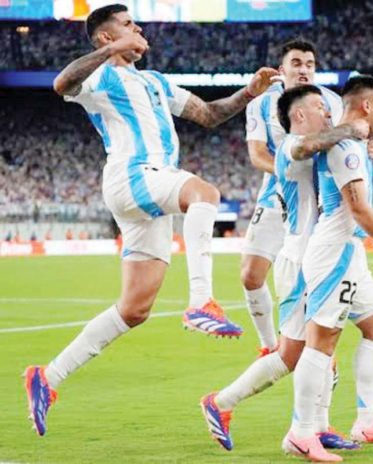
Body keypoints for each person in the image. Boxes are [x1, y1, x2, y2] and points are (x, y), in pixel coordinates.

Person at [23, 3, 278, 437]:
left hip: (148, 189)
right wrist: (113, 50)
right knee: (205, 193)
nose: (137, 29)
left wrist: (249, 92)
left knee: (135, 309)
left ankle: (47, 377)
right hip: (133, 174)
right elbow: (61, 83)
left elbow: (210, 115)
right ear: (106, 37)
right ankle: (201, 302)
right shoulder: (101, 75)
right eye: (127, 25)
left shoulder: (155, 82)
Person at [200, 84, 369, 453]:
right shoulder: (291, 146)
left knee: (325, 342)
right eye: (320, 107)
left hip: (320, 256)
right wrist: (349, 130)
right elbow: (310, 146)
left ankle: (319, 427)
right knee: (293, 354)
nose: (328, 112)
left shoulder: (319, 150)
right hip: (299, 260)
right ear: (298, 116)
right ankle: (222, 403)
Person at [282, 75, 373, 462]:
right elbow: (358, 209)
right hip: (333, 252)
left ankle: (366, 419)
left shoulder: (354, 145)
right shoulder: (344, 146)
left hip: (350, 252)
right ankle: (301, 432)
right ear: (365, 105)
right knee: (322, 341)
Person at [241, 39, 343, 355]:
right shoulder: (260, 104)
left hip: (316, 203)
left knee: (311, 283)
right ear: (281, 70)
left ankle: (323, 356)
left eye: (309, 64)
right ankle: (269, 345)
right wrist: (287, 174)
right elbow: (257, 154)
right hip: (275, 198)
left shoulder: (332, 102)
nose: (303, 70)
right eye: (296, 63)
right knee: (250, 275)